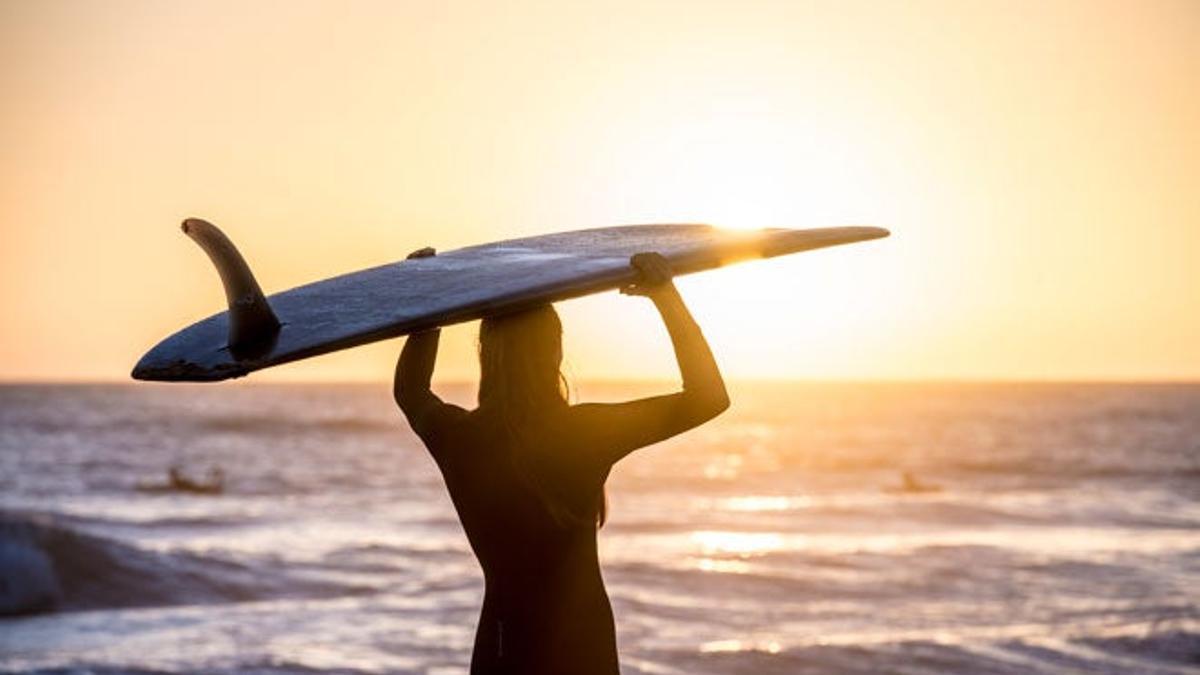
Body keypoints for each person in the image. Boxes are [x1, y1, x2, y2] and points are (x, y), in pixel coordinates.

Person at [394, 249, 729, 675]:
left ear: (487, 353)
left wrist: (428, 305)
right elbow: (708, 397)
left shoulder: (460, 437)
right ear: (554, 350)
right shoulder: (582, 433)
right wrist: (665, 296)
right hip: (580, 649)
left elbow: (411, 393)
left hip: (500, 647)